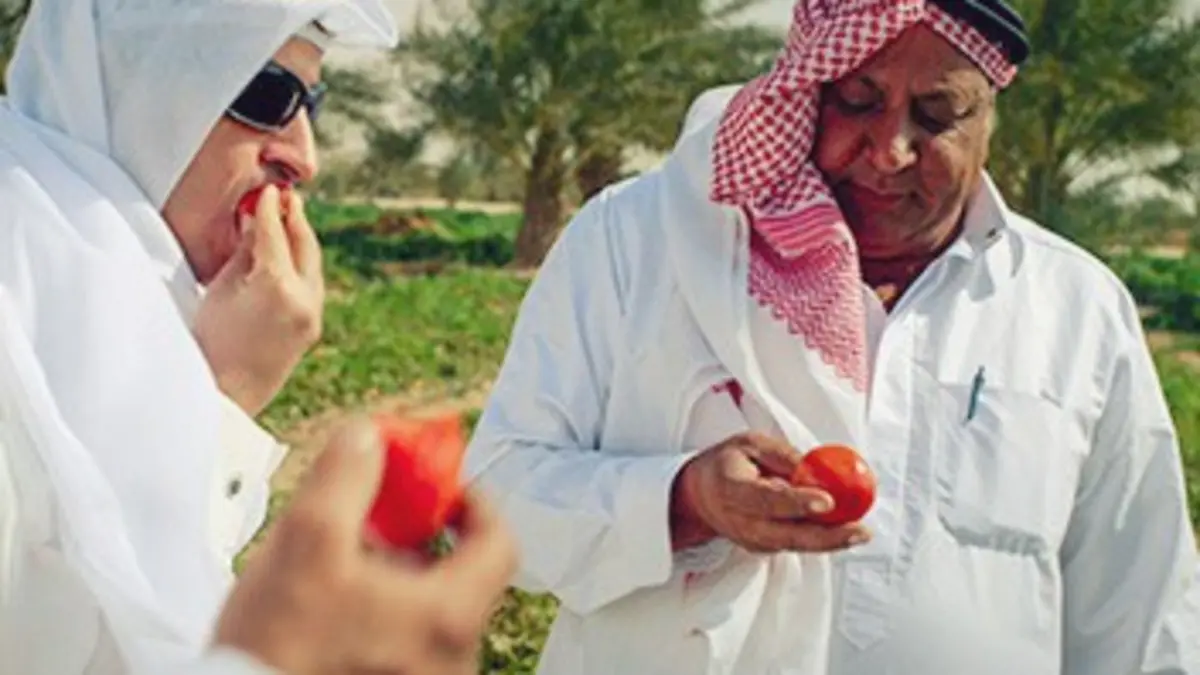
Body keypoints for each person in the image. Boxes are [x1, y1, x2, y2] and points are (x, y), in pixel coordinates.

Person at [464, 0, 1200, 673]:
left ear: (988, 118)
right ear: (805, 87)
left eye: (937, 114)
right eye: (857, 100)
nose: (890, 150)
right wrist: (683, 500)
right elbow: (495, 497)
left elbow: (1139, 612)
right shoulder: (637, 241)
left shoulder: (1074, 307)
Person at [0, 0, 515, 673]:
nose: (305, 157)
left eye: (313, 103)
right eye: (264, 93)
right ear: (136, 84)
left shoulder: (106, 285)